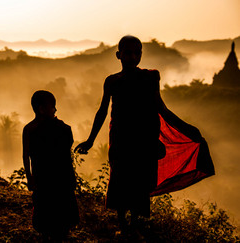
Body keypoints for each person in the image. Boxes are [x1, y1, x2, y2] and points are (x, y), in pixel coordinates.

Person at [75, 35, 214, 235]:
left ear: (141, 55)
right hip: (121, 140)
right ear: (118, 55)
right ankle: (122, 223)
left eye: (136, 52)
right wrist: (90, 140)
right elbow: (102, 111)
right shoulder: (112, 81)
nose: (132, 57)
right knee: (121, 179)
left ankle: (134, 223)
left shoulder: (150, 77)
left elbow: (161, 108)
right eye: (127, 53)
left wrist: (187, 129)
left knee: (140, 182)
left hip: (144, 140)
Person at [22, 90, 79, 241]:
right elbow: (68, 146)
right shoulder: (62, 128)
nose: (55, 110)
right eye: (52, 107)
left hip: (45, 179)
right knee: (59, 215)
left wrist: (30, 178)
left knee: (46, 215)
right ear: (41, 109)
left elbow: (25, 156)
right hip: (58, 179)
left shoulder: (29, 129)